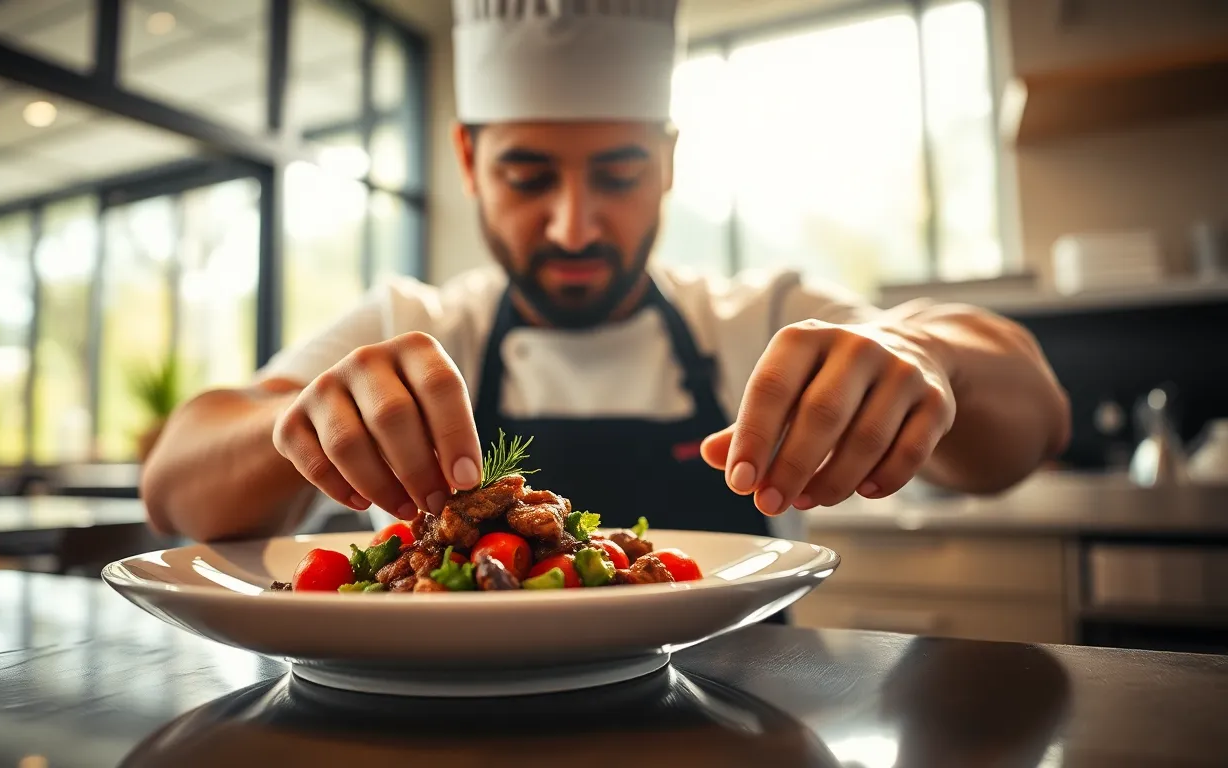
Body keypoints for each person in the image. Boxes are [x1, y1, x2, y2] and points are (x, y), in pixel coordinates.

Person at [140, 0, 1069, 551]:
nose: (575, 223)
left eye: (619, 174)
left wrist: (925, 358)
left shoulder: (762, 320)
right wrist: (296, 423)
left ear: (667, 163)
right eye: (528, 175)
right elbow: (175, 482)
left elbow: (1032, 423)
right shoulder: (413, 320)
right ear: (467, 162)